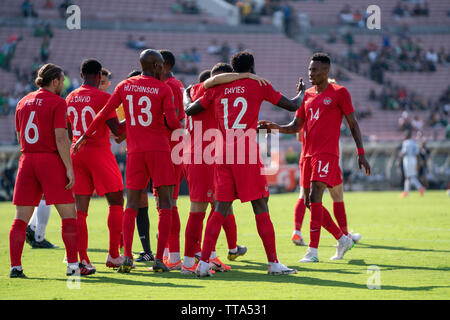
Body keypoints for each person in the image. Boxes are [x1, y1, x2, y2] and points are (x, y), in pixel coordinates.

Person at [185, 51, 304, 277]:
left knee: (219, 209)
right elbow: (291, 105)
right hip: (246, 152)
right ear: (252, 67)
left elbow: (191, 109)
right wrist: (301, 93)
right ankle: (274, 263)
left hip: (222, 153)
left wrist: (186, 94)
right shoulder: (258, 85)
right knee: (260, 205)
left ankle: (201, 265)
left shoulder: (216, 88)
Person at [73, 49, 181, 273]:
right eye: (160, 65)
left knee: (130, 205)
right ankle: (159, 259)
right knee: (166, 205)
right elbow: (172, 122)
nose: (162, 68)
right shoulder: (163, 88)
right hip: (159, 151)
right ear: (154, 66)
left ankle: (128, 257)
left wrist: (84, 135)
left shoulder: (124, 85)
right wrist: (182, 128)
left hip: (135, 152)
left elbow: (103, 114)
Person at [258, 53, 371, 263]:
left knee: (317, 192)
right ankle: (342, 238)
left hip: (327, 153)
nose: (311, 73)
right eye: (310, 69)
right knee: (311, 202)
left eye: (315, 69)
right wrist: (275, 127)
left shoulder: (340, 93)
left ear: (326, 71)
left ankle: (313, 251)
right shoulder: (307, 96)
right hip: (308, 154)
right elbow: (296, 126)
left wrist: (361, 153)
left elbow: (353, 123)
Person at [181, 63, 267, 274]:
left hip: (192, 153)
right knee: (205, 210)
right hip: (206, 155)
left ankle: (208, 257)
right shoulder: (212, 89)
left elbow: (189, 104)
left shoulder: (194, 91)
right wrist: (246, 74)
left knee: (217, 207)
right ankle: (187, 261)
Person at [10, 63, 94, 278]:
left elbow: (20, 137)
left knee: (20, 218)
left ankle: (15, 268)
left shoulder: (22, 101)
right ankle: (73, 266)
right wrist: (69, 168)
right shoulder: (57, 102)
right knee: (69, 215)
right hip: (49, 161)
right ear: (55, 81)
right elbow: (60, 137)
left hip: (27, 159)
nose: (63, 84)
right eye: (62, 80)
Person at [66, 59, 126, 271]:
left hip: (76, 152)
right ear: (100, 74)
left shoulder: (70, 96)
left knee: (80, 209)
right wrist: (134, 116)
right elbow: (118, 131)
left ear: (81, 74)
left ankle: (82, 259)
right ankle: (114, 255)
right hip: (98, 152)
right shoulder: (102, 97)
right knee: (116, 199)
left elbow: (67, 129)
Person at [400, 131, 425, 197]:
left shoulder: (405, 143)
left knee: (410, 177)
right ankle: (406, 192)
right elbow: (416, 154)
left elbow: (404, 152)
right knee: (409, 177)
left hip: (407, 160)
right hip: (413, 160)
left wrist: (399, 155)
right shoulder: (414, 143)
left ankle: (420, 187)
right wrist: (416, 163)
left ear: (406, 136)